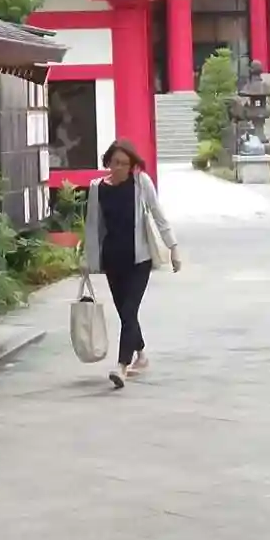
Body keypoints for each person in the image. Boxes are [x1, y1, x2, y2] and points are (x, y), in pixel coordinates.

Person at [82, 140, 180, 391]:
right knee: (126, 314)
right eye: (115, 162)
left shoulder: (140, 183)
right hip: (112, 260)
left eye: (125, 164)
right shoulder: (97, 188)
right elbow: (93, 226)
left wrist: (173, 247)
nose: (119, 168)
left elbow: (158, 215)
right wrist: (88, 260)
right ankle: (141, 355)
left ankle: (121, 366)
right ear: (108, 162)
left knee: (129, 310)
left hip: (139, 260)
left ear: (132, 166)